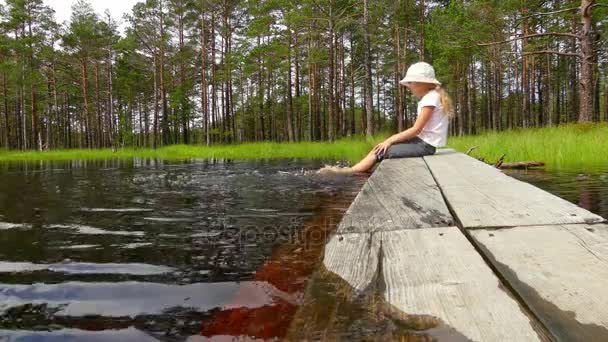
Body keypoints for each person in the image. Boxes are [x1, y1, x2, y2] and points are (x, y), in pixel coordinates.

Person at [319, 61, 454, 174]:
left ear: (420, 83)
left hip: (425, 146)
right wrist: (389, 141)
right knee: (379, 148)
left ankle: (351, 171)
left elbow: (416, 129)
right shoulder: (432, 96)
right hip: (421, 143)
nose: (409, 87)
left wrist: (389, 140)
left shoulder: (430, 98)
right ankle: (352, 170)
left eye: (411, 83)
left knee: (381, 151)